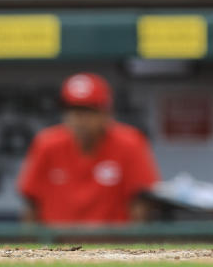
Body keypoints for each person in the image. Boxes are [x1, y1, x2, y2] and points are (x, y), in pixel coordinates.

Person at [18, 72, 160, 224]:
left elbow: (141, 204)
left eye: (88, 111)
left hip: (114, 245)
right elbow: (31, 204)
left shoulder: (130, 143)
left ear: (106, 112)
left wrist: (135, 246)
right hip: (57, 244)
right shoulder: (46, 144)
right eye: (74, 110)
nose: (80, 119)